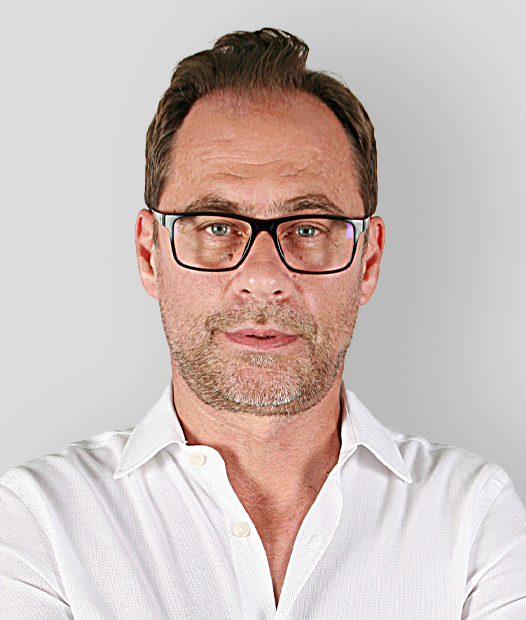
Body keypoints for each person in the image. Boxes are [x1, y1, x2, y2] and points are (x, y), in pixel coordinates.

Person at [1, 28, 525, 619]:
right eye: (217, 226)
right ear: (150, 254)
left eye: (308, 228)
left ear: (369, 260)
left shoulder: (473, 519)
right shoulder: (40, 525)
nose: (263, 277)